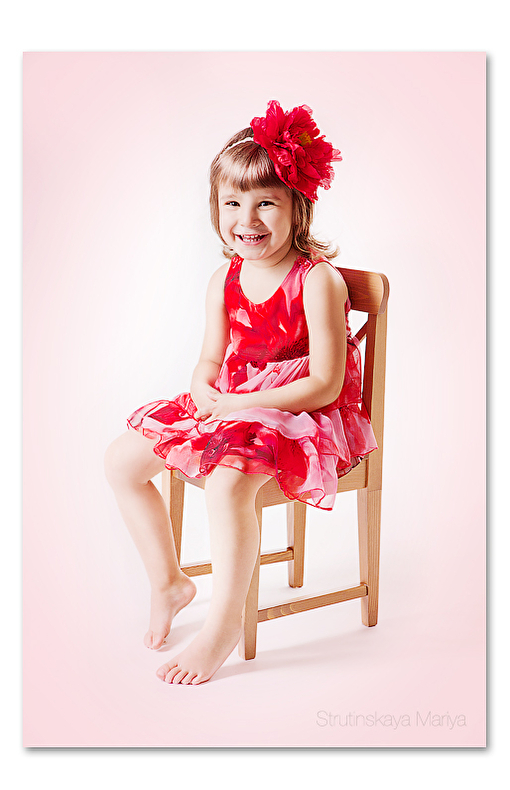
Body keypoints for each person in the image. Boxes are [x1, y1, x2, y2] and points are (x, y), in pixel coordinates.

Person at [104, 100, 377, 686]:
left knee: (228, 483)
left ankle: (223, 625)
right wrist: (205, 387)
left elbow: (325, 383)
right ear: (216, 208)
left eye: (266, 203)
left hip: (302, 415)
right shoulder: (223, 279)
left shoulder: (317, 280)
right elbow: (210, 357)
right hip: (232, 403)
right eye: (233, 203)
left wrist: (239, 405)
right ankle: (168, 582)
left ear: (298, 208)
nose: (247, 218)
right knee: (122, 460)